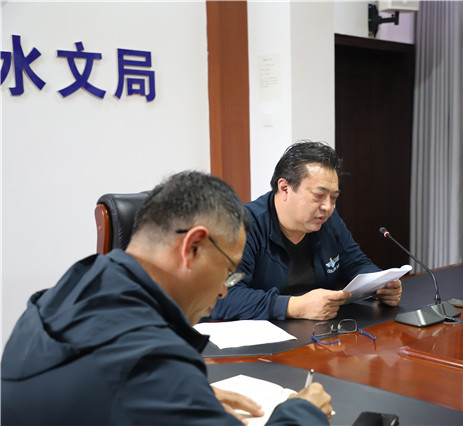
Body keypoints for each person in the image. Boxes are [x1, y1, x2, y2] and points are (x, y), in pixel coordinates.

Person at [1, 171, 332, 425]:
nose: (223, 290)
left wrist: (185, 401)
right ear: (193, 247)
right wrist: (302, 413)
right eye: (228, 271)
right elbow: (137, 378)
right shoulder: (152, 364)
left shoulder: (71, 286)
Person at [209, 141, 402, 321]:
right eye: (319, 195)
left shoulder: (328, 221)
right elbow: (222, 296)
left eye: (333, 198)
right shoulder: (243, 225)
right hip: (262, 338)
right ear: (285, 188)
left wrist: (381, 285)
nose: (328, 207)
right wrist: (293, 306)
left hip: (319, 332)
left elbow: (356, 263)